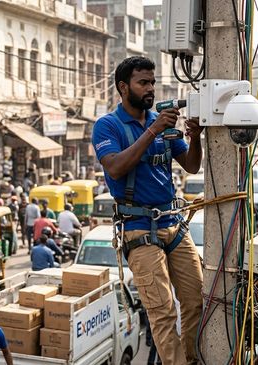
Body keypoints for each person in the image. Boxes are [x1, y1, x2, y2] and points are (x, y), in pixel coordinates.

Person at [92, 56, 203, 365]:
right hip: (139, 228)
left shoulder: (160, 122)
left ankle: (190, 360)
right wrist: (153, 129)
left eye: (152, 82)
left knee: (196, 299)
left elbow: (192, 166)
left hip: (172, 223)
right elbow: (114, 168)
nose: (150, 88)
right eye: (143, 83)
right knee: (163, 311)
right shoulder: (108, 126)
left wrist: (195, 137)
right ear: (123, 87)